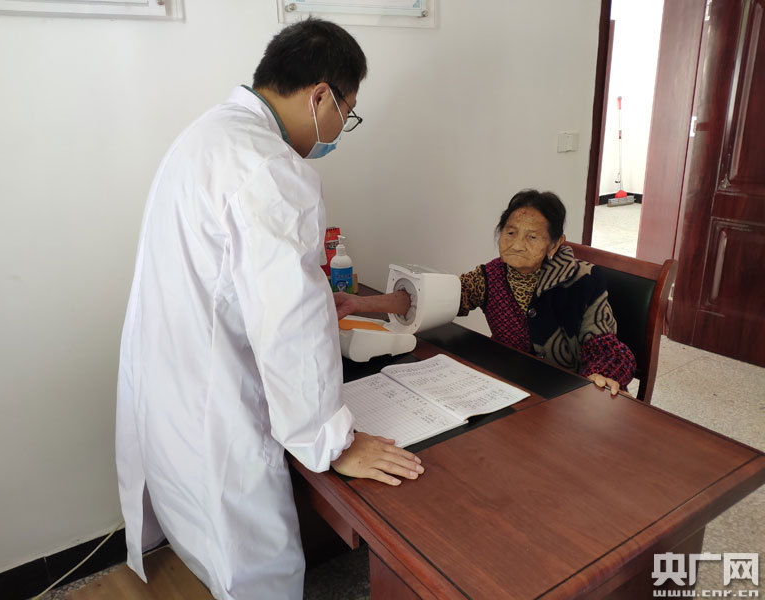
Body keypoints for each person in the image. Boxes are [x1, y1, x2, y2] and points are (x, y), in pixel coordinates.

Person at [115, 18, 424, 600]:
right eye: (347, 112)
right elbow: (290, 327)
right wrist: (333, 441)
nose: (342, 129)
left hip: (174, 383)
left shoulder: (206, 135)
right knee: (259, 574)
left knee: (214, 550)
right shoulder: (273, 170)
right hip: (217, 405)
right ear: (320, 97)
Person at [336, 189, 636, 395]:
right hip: (510, 387)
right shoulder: (490, 276)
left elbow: (607, 348)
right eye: (510, 232)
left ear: (555, 244)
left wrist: (602, 374)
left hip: (565, 396)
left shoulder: (583, 280)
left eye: (532, 237)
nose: (517, 244)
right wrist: (358, 304)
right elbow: (426, 299)